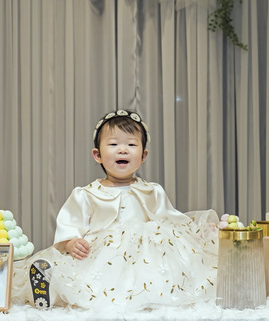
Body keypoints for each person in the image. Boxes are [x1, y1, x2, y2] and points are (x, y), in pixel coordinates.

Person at [15, 109, 218, 310]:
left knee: (166, 273)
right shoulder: (86, 194)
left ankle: (150, 296)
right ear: (98, 155)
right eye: (113, 144)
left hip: (146, 257)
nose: (123, 150)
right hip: (100, 255)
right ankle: (47, 283)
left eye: (131, 144)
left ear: (143, 155)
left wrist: (197, 231)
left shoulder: (152, 191)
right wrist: (71, 243)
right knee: (80, 280)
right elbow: (70, 225)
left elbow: (172, 220)